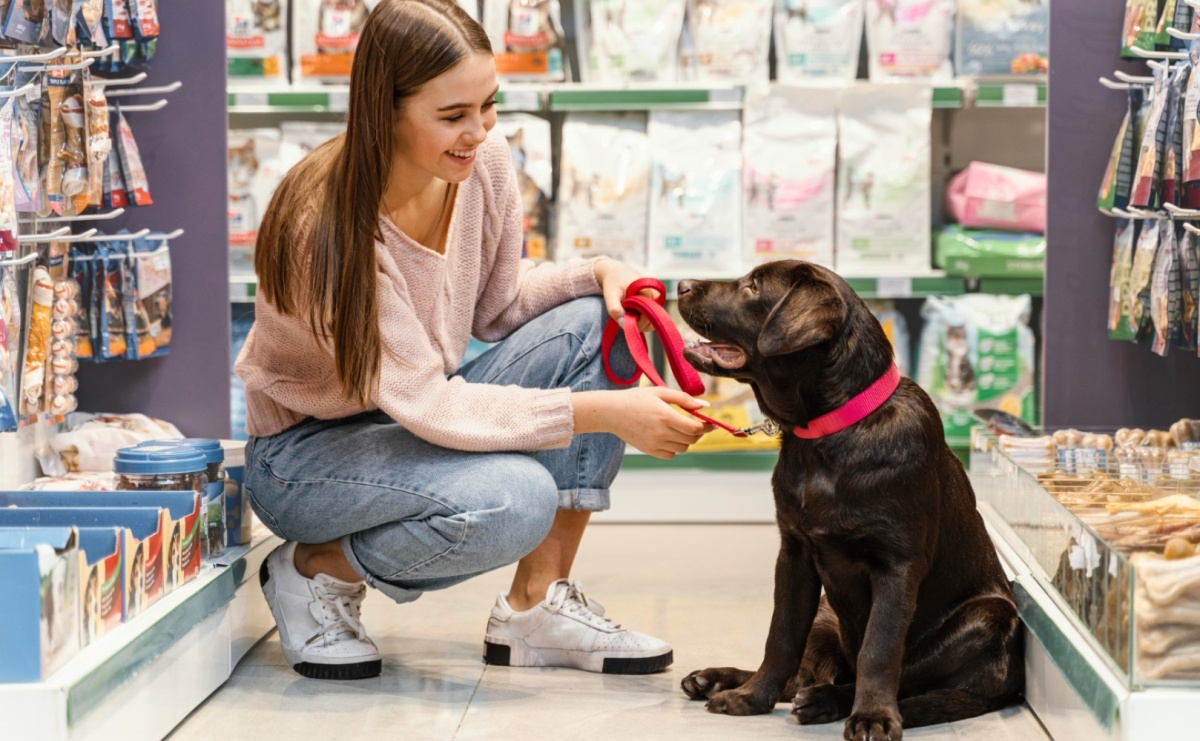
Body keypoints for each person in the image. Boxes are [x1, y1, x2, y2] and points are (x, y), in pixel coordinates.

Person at [235, 0, 713, 681]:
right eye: (453, 115)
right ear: (384, 109)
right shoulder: (327, 229)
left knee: (605, 319)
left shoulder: (483, 161)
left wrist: (601, 271)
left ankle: (534, 605)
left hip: (411, 415)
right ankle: (314, 568)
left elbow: (495, 307)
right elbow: (430, 402)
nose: (480, 130)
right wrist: (609, 414)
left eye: (488, 105)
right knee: (515, 498)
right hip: (305, 458)